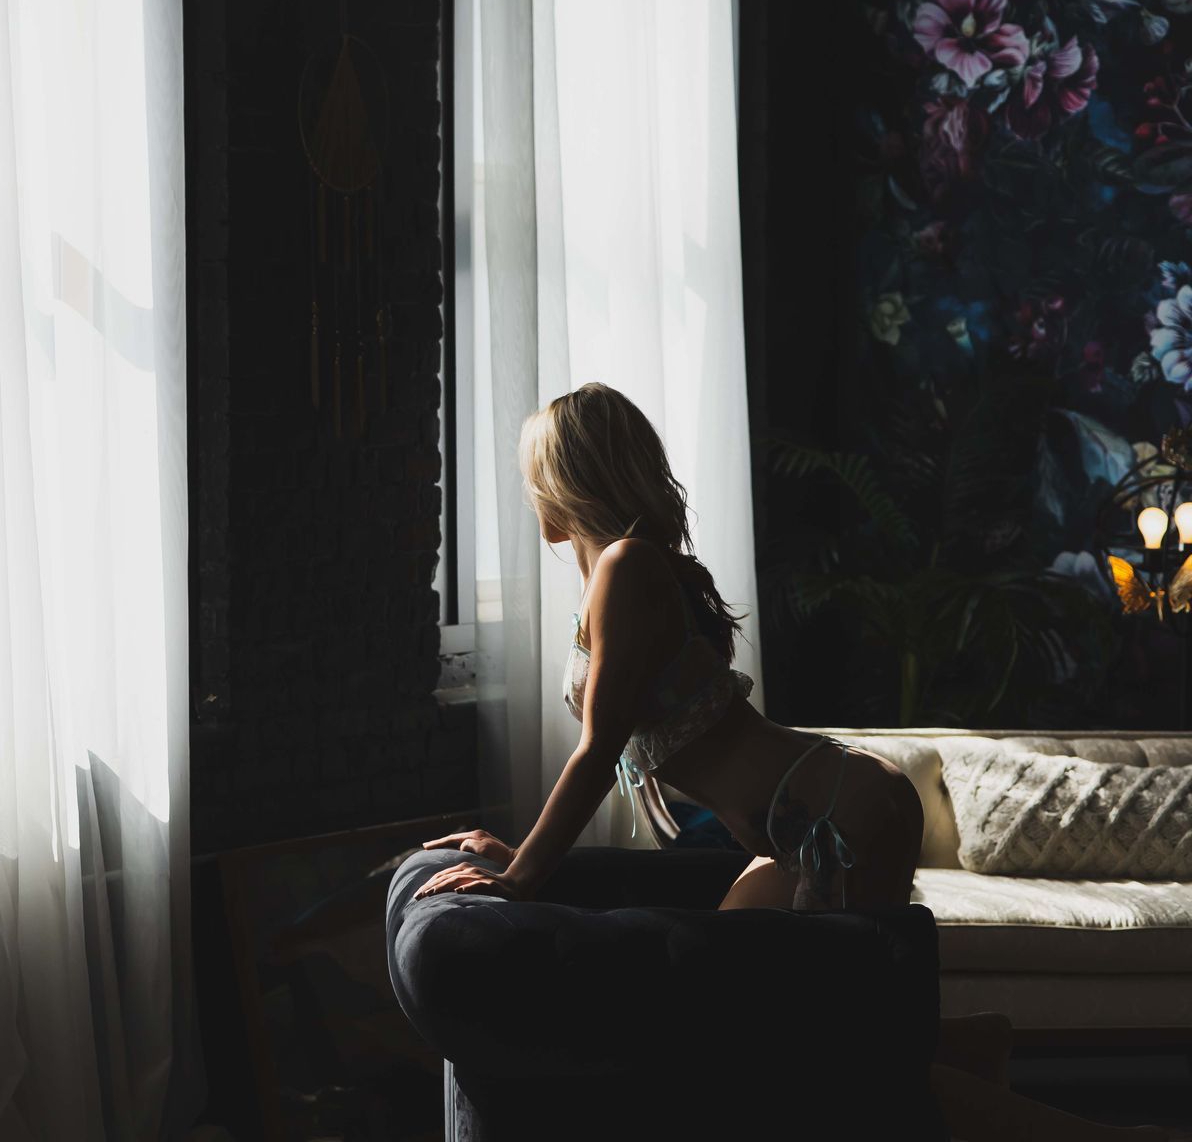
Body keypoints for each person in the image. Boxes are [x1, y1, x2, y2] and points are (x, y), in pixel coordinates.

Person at [411, 382, 1166, 1142]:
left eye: (533, 476)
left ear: (565, 481)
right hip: (809, 818)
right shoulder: (622, 572)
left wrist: (520, 875)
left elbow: (599, 750)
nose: (529, 495)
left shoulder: (628, 566)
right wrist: (518, 857)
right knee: (793, 1039)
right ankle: (972, 1044)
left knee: (833, 1067)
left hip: (842, 815)